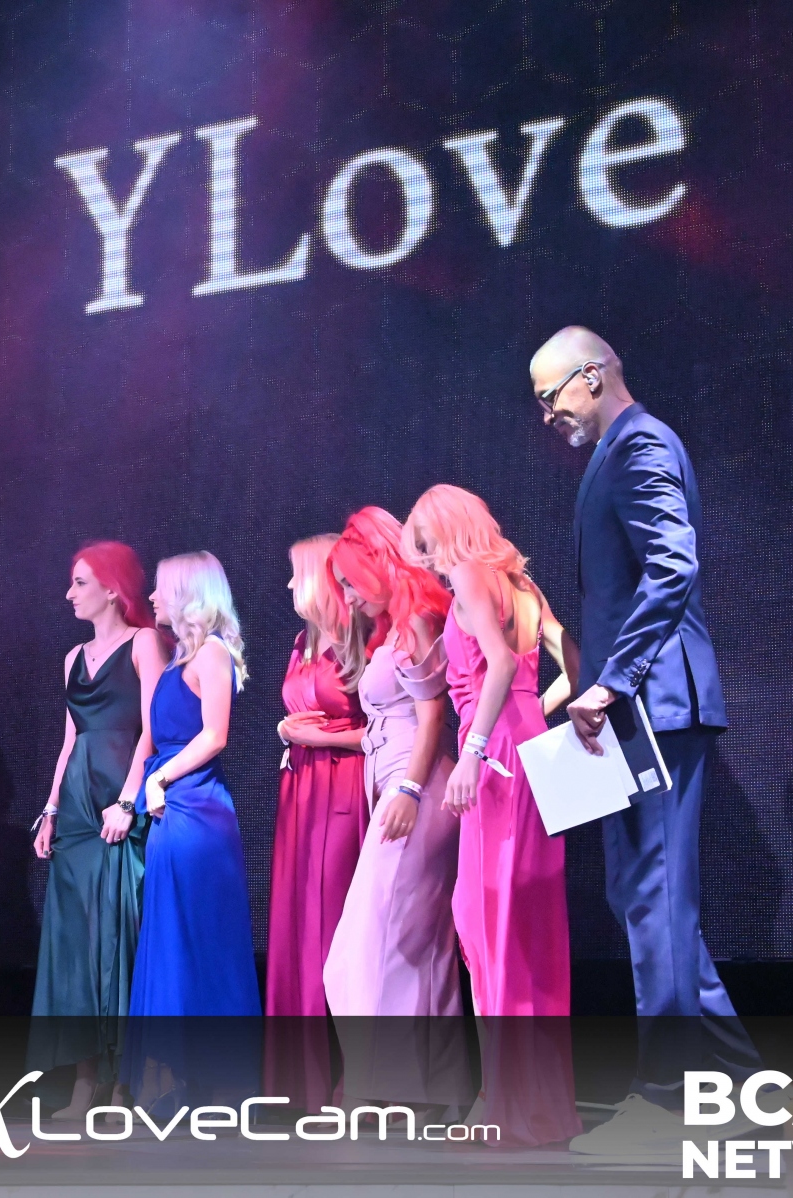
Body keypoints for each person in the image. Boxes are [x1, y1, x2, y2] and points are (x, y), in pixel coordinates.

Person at [528, 326, 761, 1152]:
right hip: (631, 707)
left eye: (551, 396)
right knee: (642, 897)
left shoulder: (639, 444)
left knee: (656, 894)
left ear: (591, 377)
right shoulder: (615, 452)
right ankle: (739, 1086)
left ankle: (669, 1097)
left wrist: (612, 680)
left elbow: (673, 565)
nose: (547, 415)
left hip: (653, 703)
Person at [404, 484, 583, 1145]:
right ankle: (527, 1102)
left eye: (426, 544)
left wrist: (477, 748)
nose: (427, 561)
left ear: (447, 531)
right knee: (521, 928)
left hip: (498, 754)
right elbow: (571, 662)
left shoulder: (471, 574)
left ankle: (508, 1104)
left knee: (494, 924)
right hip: (525, 744)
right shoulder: (522, 584)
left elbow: (501, 662)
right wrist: (538, 713)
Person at [322, 508, 470, 1112]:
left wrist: (408, 790)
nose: (350, 598)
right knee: (413, 946)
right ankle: (435, 1091)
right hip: (402, 788)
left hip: (418, 790)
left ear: (377, 564)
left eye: (352, 582)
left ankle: (391, 1093)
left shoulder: (417, 621)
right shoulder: (392, 629)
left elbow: (434, 715)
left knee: (373, 945)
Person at [29, 542, 167, 1119]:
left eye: (80, 582)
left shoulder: (144, 643)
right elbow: (70, 740)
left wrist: (128, 800)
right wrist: (50, 808)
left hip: (119, 797)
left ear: (112, 588)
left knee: (119, 932)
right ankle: (84, 1079)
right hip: (78, 808)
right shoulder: (72, 657)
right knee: (75, 938)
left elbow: (153, 727)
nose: (69, 594)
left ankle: (122, 1083)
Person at [126, 551, 259, 1017]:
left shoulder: (212, 652)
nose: (151, 596)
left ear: (186, 594)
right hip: (171, 807)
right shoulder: (178, 658)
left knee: (197, 935)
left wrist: (159, 778)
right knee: (169, 934)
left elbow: (215, 734)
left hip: (196, 811)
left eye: (161, 587)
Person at [264, 534, 366, 1111]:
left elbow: (392, 728)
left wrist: (319, 737)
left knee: (339, 931)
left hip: (345, 786)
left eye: (295, 574)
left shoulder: (362, 637)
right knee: (298, 928)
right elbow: (292, 718)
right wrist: (287, 731)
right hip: (299, 791)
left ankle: (358, 1079)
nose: (286, 585)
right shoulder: (303, 642)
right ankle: (302, 1083)